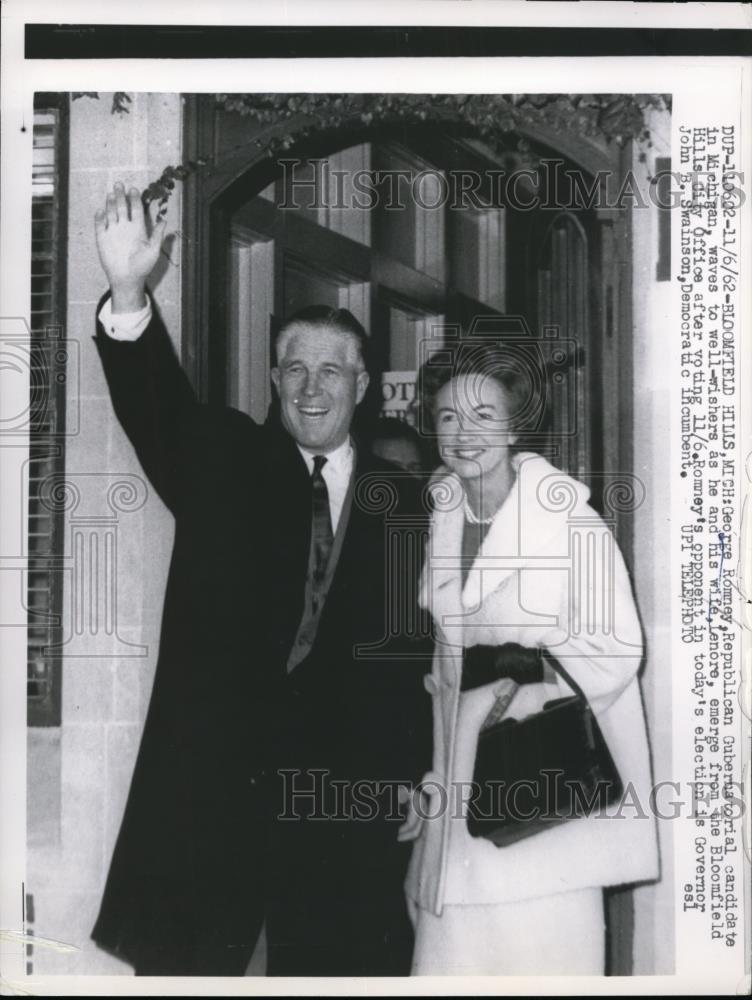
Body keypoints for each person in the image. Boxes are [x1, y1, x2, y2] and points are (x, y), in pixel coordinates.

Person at [90, 182, 431, 976]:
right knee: (191, 968)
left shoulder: (404, 503)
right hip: (217, 781)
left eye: (332, 372)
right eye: (294, 370)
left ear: (363, 386)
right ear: (274, 380)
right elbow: (158, 409)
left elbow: (410, 653)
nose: (312, 388)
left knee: (337, 970)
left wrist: (416, 771)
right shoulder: (227, 462)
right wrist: (130, 289)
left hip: (341, 790)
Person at [400, 344, 659, 976]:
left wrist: (523, 669)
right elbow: (444, 670)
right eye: (447, 418)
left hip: (545, 790)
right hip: (463, 801)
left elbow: (618, 650)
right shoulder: (441, 517)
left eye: (482, 416)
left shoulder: (565, 519)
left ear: (514, 425)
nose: (463, 435)